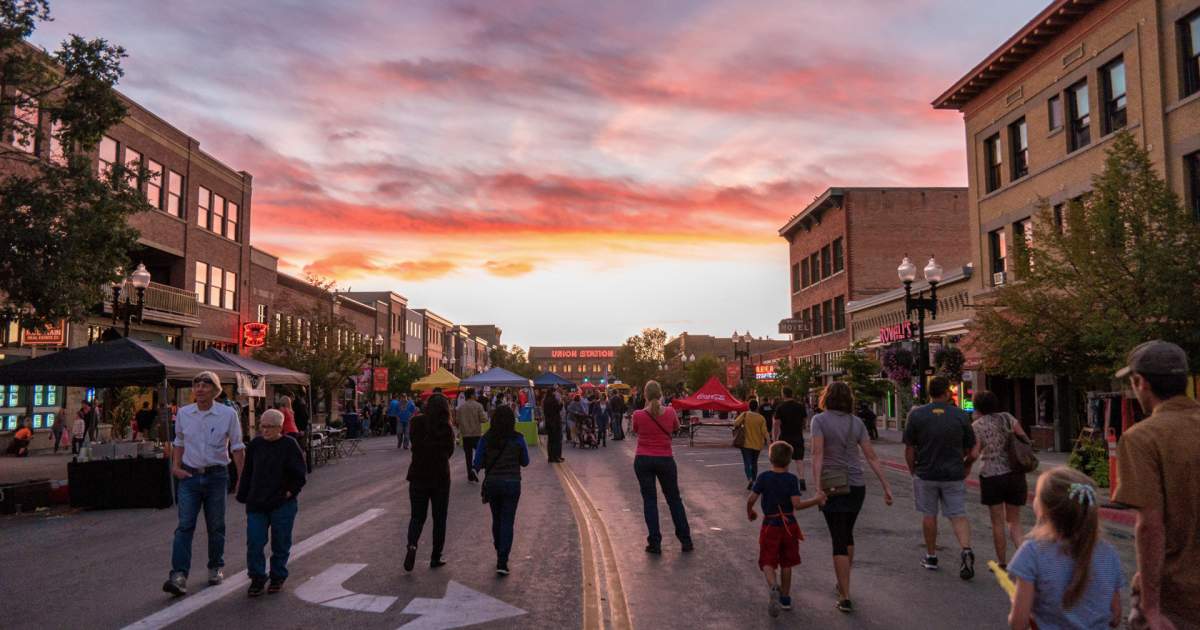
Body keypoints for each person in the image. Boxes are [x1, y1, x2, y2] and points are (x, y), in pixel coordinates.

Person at [1113, 340, 1200, 628]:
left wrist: (1150, 606)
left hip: (1180, 596)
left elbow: (1150, 525)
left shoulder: (1143, 438)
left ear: (1141, 383)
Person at [810, 381, 894, 613]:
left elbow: (817, 454)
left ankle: (845, 595)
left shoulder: (819, 420)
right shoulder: (857, 423)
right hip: (857, 486)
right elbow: (871, 457)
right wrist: (886, 485)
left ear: (826, 398)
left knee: (838, 538)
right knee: (847, 534)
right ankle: (843, 581)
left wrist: (817, 488)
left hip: (832, 485)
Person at [1008, 467, 1123, 630]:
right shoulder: (1109, 554)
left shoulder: (1032, 553)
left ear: (1044, 509)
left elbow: (1018, 624)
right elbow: (1115, 615)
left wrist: (1016, 609)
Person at [163, 371, 245, 596]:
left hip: (217, 475)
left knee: (216, 525)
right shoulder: (184, 413)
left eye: (205, 385)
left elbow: (237, 447)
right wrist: (176, 466)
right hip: (189, 476)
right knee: (184, 526)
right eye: (196, 384)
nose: (200, 388)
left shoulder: (228, 414)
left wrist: (241, 477)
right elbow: (179, 440)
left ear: (215, 390)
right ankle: (178, 575)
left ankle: (215, 566)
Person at [903, 375, 978, 580]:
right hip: (953, 473)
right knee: (957, 514)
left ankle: (931, 556)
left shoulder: (917, 416)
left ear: (929, 393)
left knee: (929, 514)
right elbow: (973, 451)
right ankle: (965, 549)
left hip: (926, 473)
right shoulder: (961, 415)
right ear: (946, 393)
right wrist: (966, 465)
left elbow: (909, 448)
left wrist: (912, 470)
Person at [747, 441, 826, 618]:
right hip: (789, 525)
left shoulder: (764, 477)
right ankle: (785, 598)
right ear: (789, 460)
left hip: (770, 525)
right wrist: (816, 499)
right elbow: (797, 504)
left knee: (767, 560)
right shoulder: (791, 479)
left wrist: (750, 512)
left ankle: (773, 585)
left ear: (770, 458)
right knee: (787, 562)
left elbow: (751, 499)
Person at [236, 409, 306, 596]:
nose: (265, 430)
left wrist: (289, 493)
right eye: (262, 426)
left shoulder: (289, 445)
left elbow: (300, 475)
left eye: (269, 427)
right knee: (255, 542)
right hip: (257, 502)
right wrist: (243, 494)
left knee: (280, 542)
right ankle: (257, 577)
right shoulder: (256, 445)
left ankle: (277, 576)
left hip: (282, 503)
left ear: (280, 427)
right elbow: (248, 471)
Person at [631, 380, 693, 554]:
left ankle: (655, 542)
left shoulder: (638, 414)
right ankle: (685, 540)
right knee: (674, 499)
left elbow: (636, 430)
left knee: (650, 501)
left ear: (645, 395)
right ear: (660, 394)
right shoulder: (671, 411)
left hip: (643, 458)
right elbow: (676, 428)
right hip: (665, 459)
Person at [971, 390, 1029, 569]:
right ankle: (1024, 560)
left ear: (978, 407)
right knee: (1015, 521)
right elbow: (1025, 439)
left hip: (991, 476)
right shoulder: (1007, 418)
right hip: (1015, 474)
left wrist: (965, 463)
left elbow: (975, 453)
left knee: (997, 522)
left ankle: (1002, 561)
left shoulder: (977, 425)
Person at [473, 405, 530, 576]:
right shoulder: (518, 438)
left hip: (493, 483)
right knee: (507, 520)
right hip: (512, 483)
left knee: (496, 518)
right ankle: (503, 559)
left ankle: (499, 546)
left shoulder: (486, 438)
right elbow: (525, 461)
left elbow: (477, 462)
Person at [404, 393, 455, 572]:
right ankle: (436, 557)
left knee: (417, 516)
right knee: (439, 518)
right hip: (440, 476)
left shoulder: (416, 423)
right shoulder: (446, 427)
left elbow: (413, 444)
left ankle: (412, 545)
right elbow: (450, 450)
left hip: (418, 474)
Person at [773, 387, 808, 489]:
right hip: (797, 435)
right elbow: (805, 420)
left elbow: (776, 424)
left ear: (783, 394)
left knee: (784, 459)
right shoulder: (800, 406)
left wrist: (775, 439)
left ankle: (786, 481)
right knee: (799, 459)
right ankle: (801, 479)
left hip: (785, 436)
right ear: (792, 394)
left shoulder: (780, 407)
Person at [734, 400, 769, 490]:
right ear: (757, 407)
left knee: (747, 462)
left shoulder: (745, 414)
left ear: (749, 406)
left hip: (746, 444)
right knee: (754, 463)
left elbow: (735, 423)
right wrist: (769, 442)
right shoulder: (761, 418)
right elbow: (764, 432)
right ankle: (754, 479)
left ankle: (749, 479)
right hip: (757, 445)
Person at [456, 389, 486, 483]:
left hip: (465, 436)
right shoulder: (478, 406)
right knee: (480, 454)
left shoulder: (461, 408)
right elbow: (484, 419)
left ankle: (470, 475)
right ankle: (475, 469)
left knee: (468, 456)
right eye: (475, 394)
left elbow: (457, 421)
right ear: (472, 395)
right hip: (476, 434)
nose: (477, 395)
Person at [543, 387, 564, 463]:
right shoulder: (553, 400)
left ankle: (550, 457)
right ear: (552, 392)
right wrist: (561, 402)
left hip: (548, 423)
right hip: (555, 423)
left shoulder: (545, 401)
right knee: (556, 440)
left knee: (550, 441)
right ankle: (556, 457)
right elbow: (558, 408)